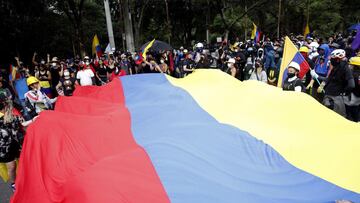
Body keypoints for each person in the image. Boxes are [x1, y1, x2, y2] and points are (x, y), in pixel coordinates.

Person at [0, 92, 35, 192]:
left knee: (23, 163)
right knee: (11, 167)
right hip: (3, 147)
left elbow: (22, 124)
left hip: (16, 143)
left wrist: (33, 120)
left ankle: (25, 180)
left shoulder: (12, 113)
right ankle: (14, 184)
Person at [311, 49, 354, 117]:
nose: (330, 60)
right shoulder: (336, 67)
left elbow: (351, 85)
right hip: (330, 96)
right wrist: (317, 76)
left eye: (332, 59)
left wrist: (342, 93)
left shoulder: (345, 69)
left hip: (336, 99)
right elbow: (329, 79)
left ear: (337, 59)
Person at [344, 56, 360, 121]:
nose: (350, 66)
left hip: (351, 97)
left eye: (351, 65)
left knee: (348, 113)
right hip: (358, 97)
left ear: (355, 66)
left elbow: (350, 86)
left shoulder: (352, 74)